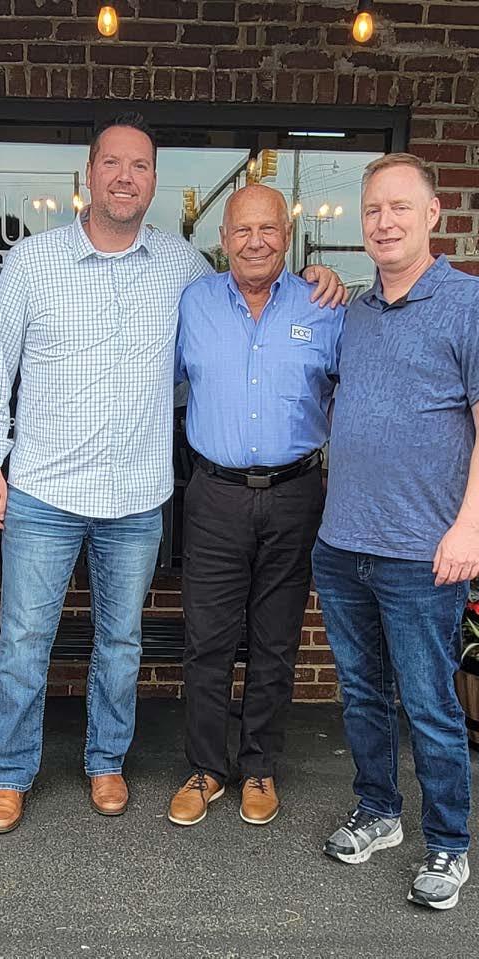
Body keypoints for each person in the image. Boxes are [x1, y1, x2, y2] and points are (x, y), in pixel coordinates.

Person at [0, 113, 344, 833]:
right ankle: (11, 773)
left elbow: (242, 313)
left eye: (139, 165)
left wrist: (316, 278)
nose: (125, 177)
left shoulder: (183, 268)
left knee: (121, 643)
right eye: (112, 163)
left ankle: (106, 761)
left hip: (137, 496)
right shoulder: (33, 262)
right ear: (90, 173)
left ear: (153, 181)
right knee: (23, 642)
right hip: (44, 490)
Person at [312, 153, 479, 910]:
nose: (384, 222)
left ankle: (449, 843)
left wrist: (469, 527)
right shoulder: (355, 312)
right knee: (362, 696)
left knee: (431, 706)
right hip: (343, 545)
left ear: (433, 214)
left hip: (423, 552)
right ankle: (378, 811)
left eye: (400, 207)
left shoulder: (466, 305)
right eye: (373, 209)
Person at [168, 185, 344, 827]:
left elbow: (354, 393)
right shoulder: (194, 304)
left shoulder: (323, 306)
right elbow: (153, 383)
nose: (255, 242)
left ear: (287, 236)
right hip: (214, 494)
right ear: (223, 240)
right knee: (207, 640)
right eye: (241, 230)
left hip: (296, 494)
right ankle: (206, 768)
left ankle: (260, 767)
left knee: (275, 639)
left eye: (267, 229)